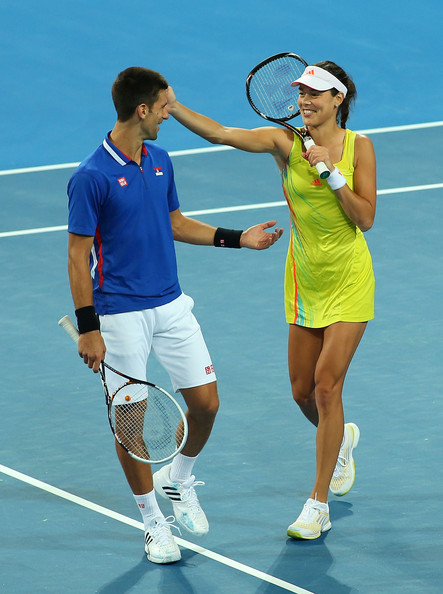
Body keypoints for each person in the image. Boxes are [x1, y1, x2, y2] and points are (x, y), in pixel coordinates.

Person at [66, 66, 283, 564]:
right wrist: (88, 327)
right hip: (119, 315)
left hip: (171, 304)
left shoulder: (160, 159)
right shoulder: (90, 177)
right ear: (142, 110)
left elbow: (176, 224)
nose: (170, 114)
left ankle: (179, 479)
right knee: (130, 426)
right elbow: (77, 256)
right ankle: (152, 522)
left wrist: (237, 238)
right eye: (165, 106)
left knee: (206, 405)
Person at [166, 60, 376, 540]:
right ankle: (340, 439)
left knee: (326, 388)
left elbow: (365, 218)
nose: (304, 101)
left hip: (349, 278)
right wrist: (173, 106)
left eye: (315, 94)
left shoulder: (359, 147)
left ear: (338, 100)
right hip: (304, 281)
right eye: (301, 94)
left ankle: (316, 505)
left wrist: (331, 172)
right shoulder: (284, 143)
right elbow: (221, 133)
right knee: (302, 392)